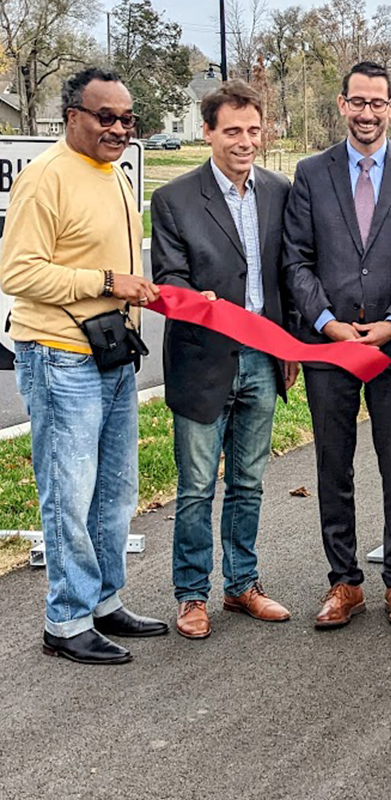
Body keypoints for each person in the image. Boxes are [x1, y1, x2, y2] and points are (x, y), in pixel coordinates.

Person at [0, 67, 167, 664]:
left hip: (113, 354)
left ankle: (103, 601)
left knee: (115, 493)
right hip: (59, 355)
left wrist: (134, 292)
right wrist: (105, 282)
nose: (120, 128)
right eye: (107, 117)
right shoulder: (46, 178)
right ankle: (65, 622)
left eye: (128, 119)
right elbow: (16, 272)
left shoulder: (116, 175)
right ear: (72, 116)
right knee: (69, 492)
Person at [283, 61, 391, 629]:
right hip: (330, 347)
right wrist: (325, 322)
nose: (368, 112)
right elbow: (296, 260)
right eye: (358, 102)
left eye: (378, 103)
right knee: (334, 466)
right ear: (341, 104)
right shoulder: (311, 173)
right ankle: (344, 582)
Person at [151, 80, 296, 639]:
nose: (245, 141)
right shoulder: (175, 200)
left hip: (264, 357)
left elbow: (286, 273)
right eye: (232, 131)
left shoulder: (280, 191)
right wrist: (196, 303)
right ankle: (191, 594)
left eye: (254, 130)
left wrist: (288, 346)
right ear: (208, 131)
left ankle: (242, 584)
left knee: (249, 482)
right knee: (195, 488)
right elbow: (168, 279)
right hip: (203, 361)